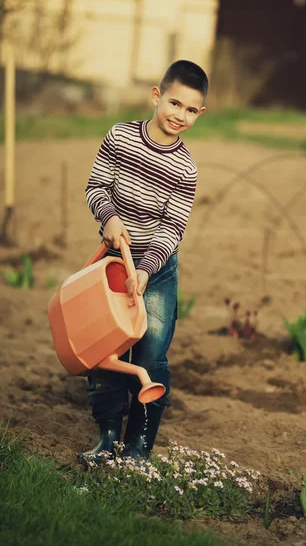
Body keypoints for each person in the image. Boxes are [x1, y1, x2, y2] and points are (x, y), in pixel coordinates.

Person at [79, 60, 208, 465]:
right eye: (174, 103)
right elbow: (95, 186)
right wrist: (109, 217)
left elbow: (172, 228)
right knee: (107, 350)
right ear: (156, 95)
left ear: (199, 114)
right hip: (113, 267)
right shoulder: (119, 138)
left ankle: (138, 445)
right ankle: (108, 436)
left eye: (190, 110)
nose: (179, 115)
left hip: (157, 270)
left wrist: (146, 269)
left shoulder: (185, 168)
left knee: (151, 355)